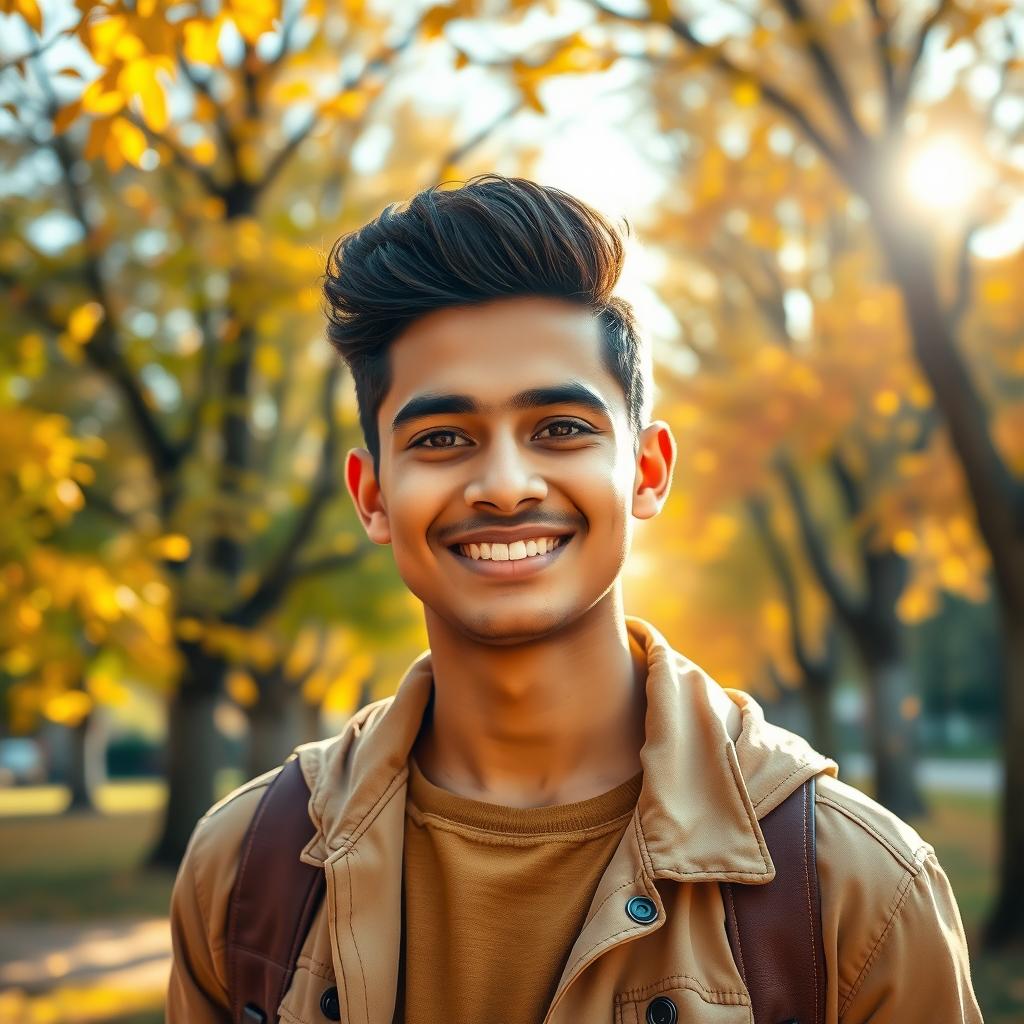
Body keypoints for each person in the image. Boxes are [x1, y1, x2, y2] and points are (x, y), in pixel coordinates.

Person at [167, 174, 982, 1024]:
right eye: (442, 438)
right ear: (371, 493)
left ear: (647, 470)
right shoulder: (242, 872)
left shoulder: (861, 889)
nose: (506, 486)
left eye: (560, 428)